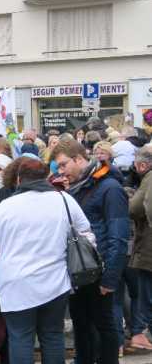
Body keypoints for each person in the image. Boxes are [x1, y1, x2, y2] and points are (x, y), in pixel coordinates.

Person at [0, 158, 93, 363]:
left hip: (16, 284)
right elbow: (85, 232)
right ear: (47, 177)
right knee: (52, 335)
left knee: (21, 337)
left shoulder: (7, 206)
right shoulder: (64, 200)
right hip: (55, 281)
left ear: (19, 178)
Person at [53, 139, 129, 364]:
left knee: (104, 326)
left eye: (64, 164)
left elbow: (118, 235)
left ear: (78, 159)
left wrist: (110, 278)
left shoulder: (110, 188)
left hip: (100, 270)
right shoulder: (77, 187)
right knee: (81, 325)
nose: (61, 170)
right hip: (79, 270)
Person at [127, 146, 152, 350]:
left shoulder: (149, 179)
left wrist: (128, 199)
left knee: (147, 296)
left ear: (142, 165)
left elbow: (136, 208)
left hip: (149, 247)